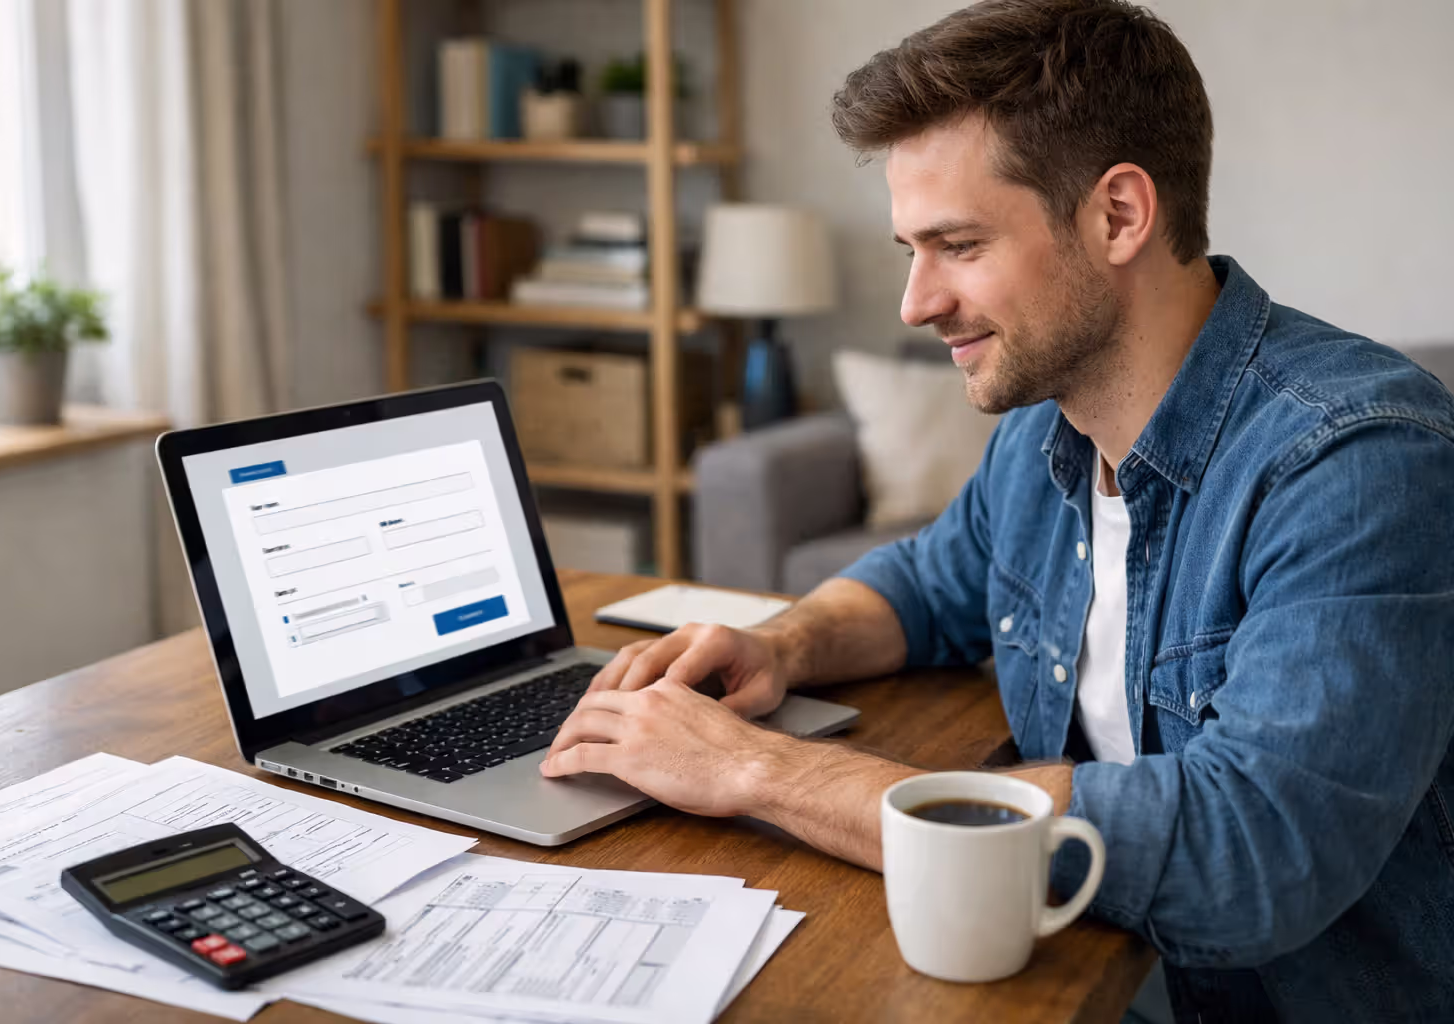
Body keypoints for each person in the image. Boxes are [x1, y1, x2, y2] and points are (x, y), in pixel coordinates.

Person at [540, 0, 1454, 1019]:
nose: (915, 302)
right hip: (1082, 973)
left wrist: (757, 769)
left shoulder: (1358, 458)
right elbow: (931, 581)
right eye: (910, 249)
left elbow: (1249, 847)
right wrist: (786, 645)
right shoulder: (1045, 432)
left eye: (958, 244)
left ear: (1119, 215)